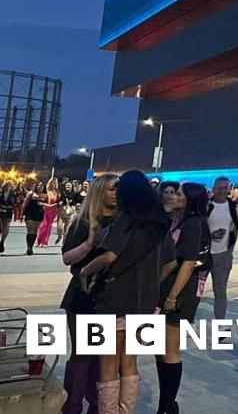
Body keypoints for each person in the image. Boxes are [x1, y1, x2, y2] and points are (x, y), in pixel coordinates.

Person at [78, 170, 175, 414]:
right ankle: (126, 410)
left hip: (115, 298)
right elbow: (171, 263)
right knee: (130, 362)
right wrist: (152, 281)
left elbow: (110, 255)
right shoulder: (161, 222)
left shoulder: (126, 219)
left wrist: (84, 271)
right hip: (145, 302)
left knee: (108, 364)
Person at [59, 173, 118, 414]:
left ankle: (96, 403)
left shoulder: (123, 222)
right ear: (100, 192)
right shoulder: (84, 221)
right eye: (113, 189)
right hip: (83, 294)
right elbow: (66, 258)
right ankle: (72, 405)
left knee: (102, 355)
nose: (117, 193)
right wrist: (90, 244)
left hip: (111, 296)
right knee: (83, 353)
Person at [156, 182, 211, 414]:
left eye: (179, 194)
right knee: (160, 349)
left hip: (181, 292)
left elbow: (188, 263)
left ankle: (168, 405)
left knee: (170, 349)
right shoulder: (179, 222)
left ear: (190, 199)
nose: (174, 196)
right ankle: (166, 402)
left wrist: (171, 297)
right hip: (170, 288)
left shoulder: (194, 224)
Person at [207, 176, 238, 319]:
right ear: (214, 188)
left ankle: (220, 325)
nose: (222, 191)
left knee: (220, 291)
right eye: (219, 188)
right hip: (204, 254)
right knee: (193, 291)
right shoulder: (206, 206)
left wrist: (230, 251)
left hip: (223, 255)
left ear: (229, 189)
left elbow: (235, 229)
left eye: (225, 188)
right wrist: (210, 236)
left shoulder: (235, 208)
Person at [23, 183, 47, 255]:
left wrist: (43, 205)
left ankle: (31, 247)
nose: (39, 187)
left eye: (41, 186)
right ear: (36, 186)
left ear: (43, 187)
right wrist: (22, 214)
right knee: (30, 230)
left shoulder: (45, 195)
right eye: (38, 185)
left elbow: (47, 204)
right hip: (29, 213)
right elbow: (25, 204)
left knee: (35, 231)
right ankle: (28, 247)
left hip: (39, 214)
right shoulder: (31, 193)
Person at [37, 178, 61, 247]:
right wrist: (46, 205)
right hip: (45, 209)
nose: (52, 184)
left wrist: (54, 205)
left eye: (54, 183)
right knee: (43, 225)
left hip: (53, 210)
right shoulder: (46, 191)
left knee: (49, 226)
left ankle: (45, 242)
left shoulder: (57, 193)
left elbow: (59, 202)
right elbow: (41, 201)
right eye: (51, 183)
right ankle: (39, 241)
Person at [0, 180, 17, 253]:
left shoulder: (14, 194)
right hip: (0, 212)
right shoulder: (0, 193)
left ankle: (2, 242)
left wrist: (9, 208)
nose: (8, 188)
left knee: (6, 227)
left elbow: (15, 204)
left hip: (8, 213)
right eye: (7, 186)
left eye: (10, 186)